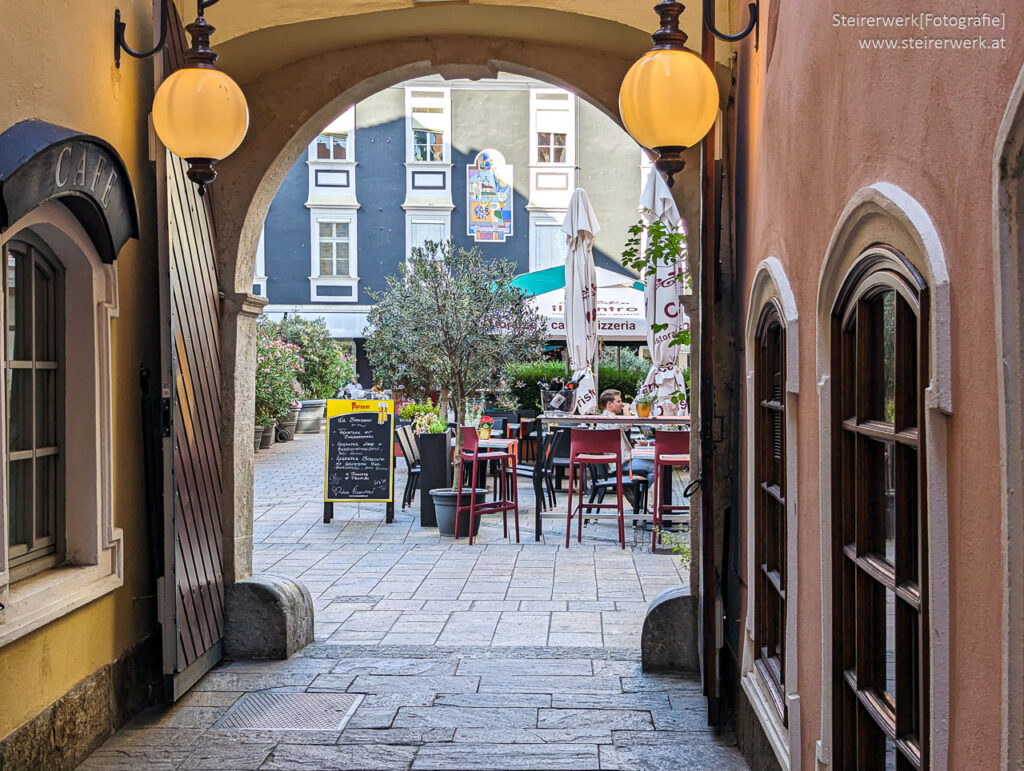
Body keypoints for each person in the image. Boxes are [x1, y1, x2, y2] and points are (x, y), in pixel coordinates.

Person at [597, 389, 654, 479]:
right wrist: (626, 410)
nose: (621, 404)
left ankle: (632, 490)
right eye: (618, 401)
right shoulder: (609, 419)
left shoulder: (608, 418)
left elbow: (626, 425)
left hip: (619, 461)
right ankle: (635, 492)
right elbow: (629, 423)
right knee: (656, 468)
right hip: (619, 463)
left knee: (651, 463)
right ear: (609, 404)